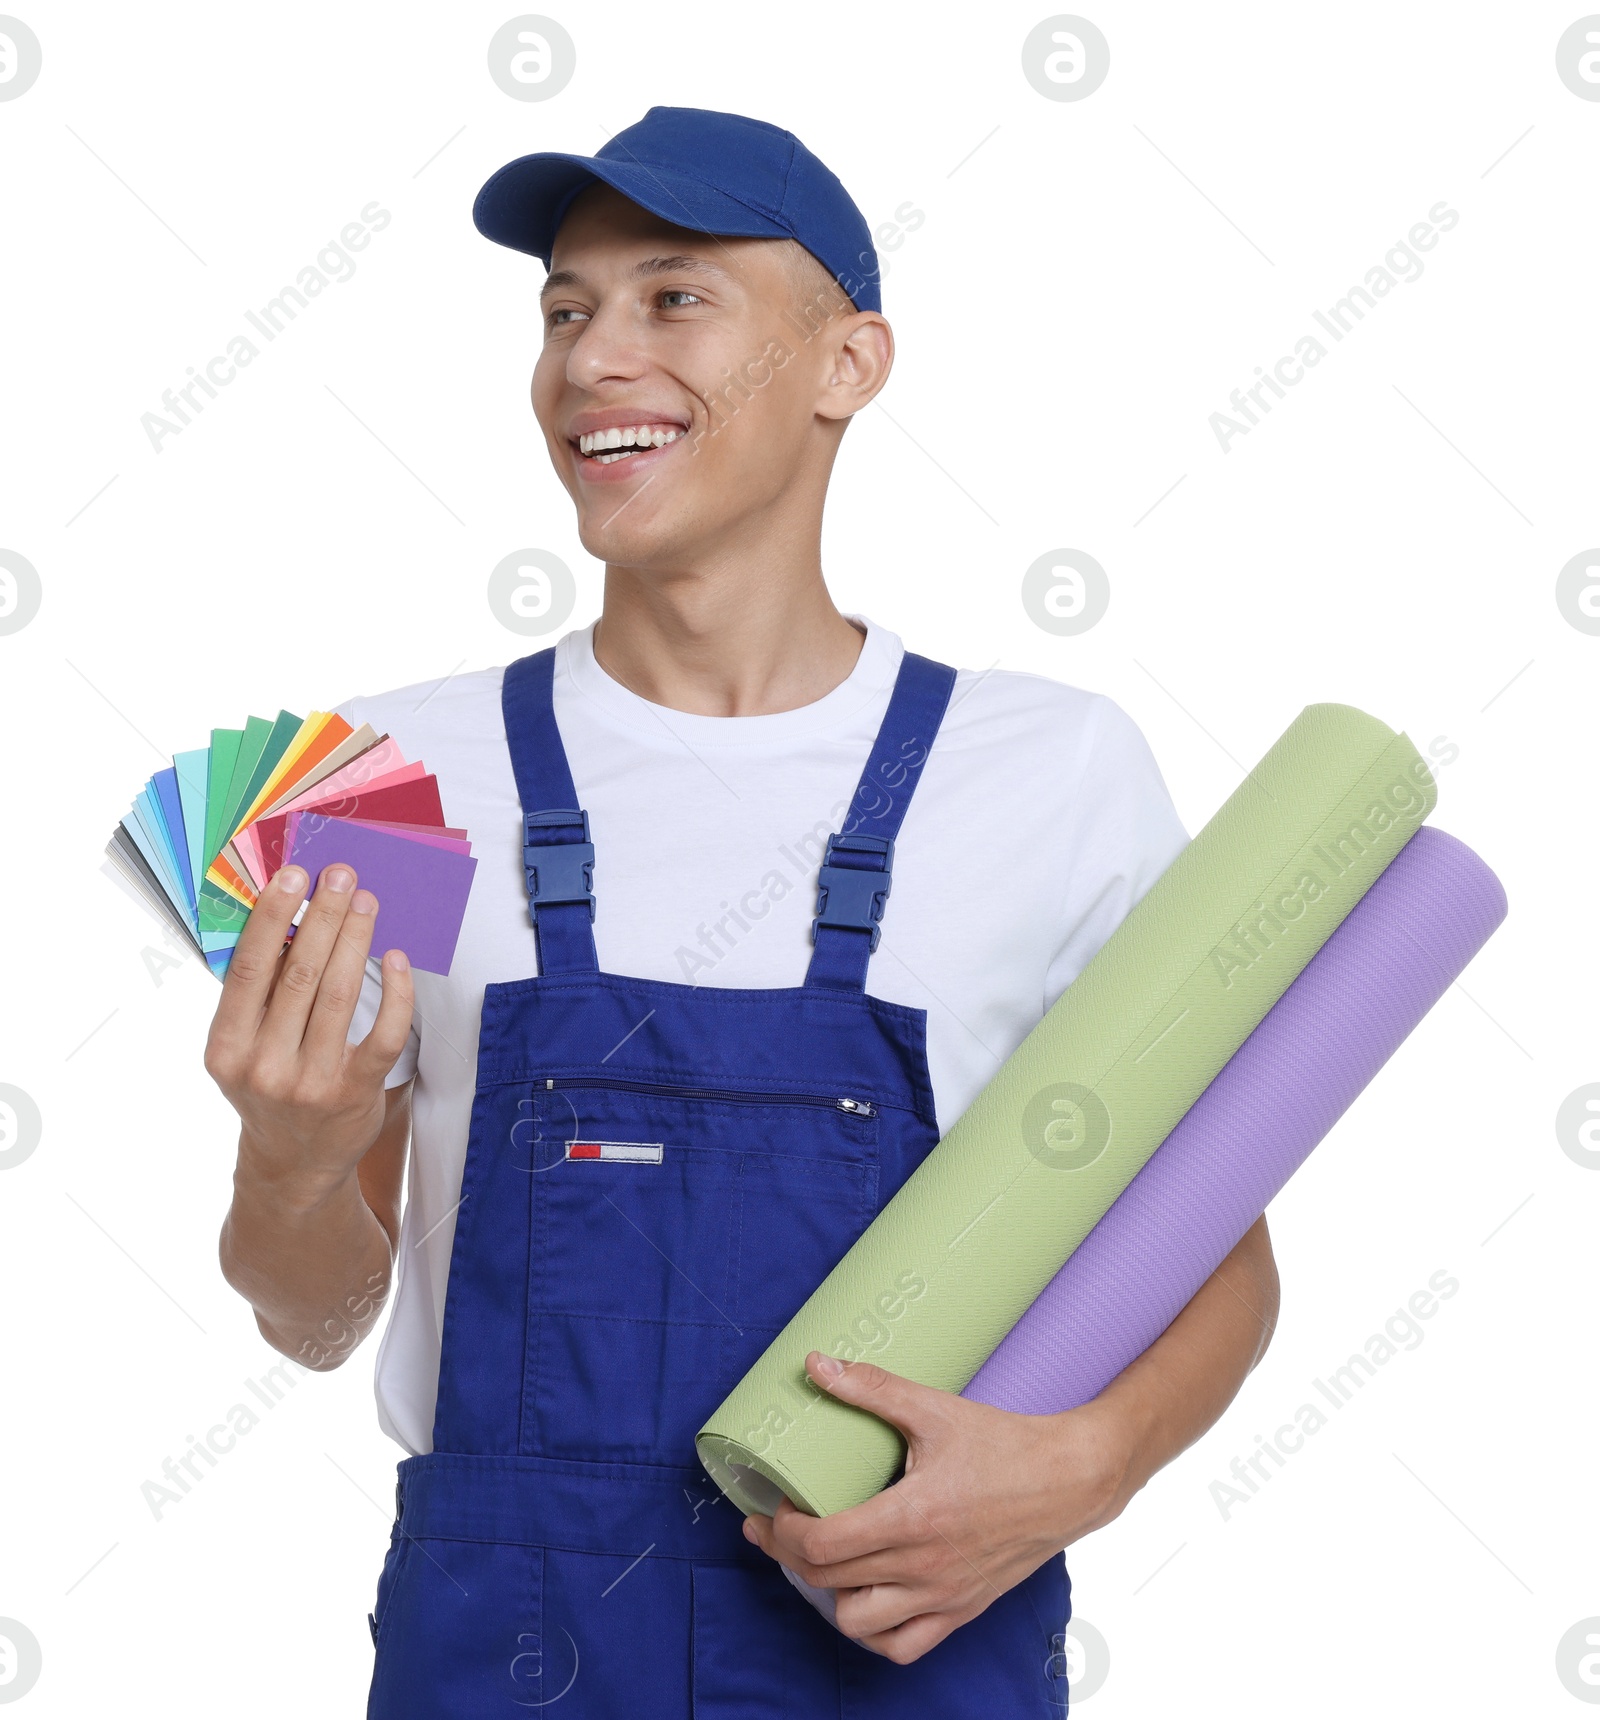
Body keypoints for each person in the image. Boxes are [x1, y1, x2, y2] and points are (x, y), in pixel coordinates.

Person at [204, 106, 1281, 1716]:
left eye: (673, 297)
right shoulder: (377, 782)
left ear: (848, 362)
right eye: (565, 309)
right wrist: (287, 1163)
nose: (591, 359)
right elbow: (320, 1313)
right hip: (505, 1651)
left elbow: (1215, 1246)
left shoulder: (1052, 770)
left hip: (905, 1628)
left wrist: (1083, 1471)